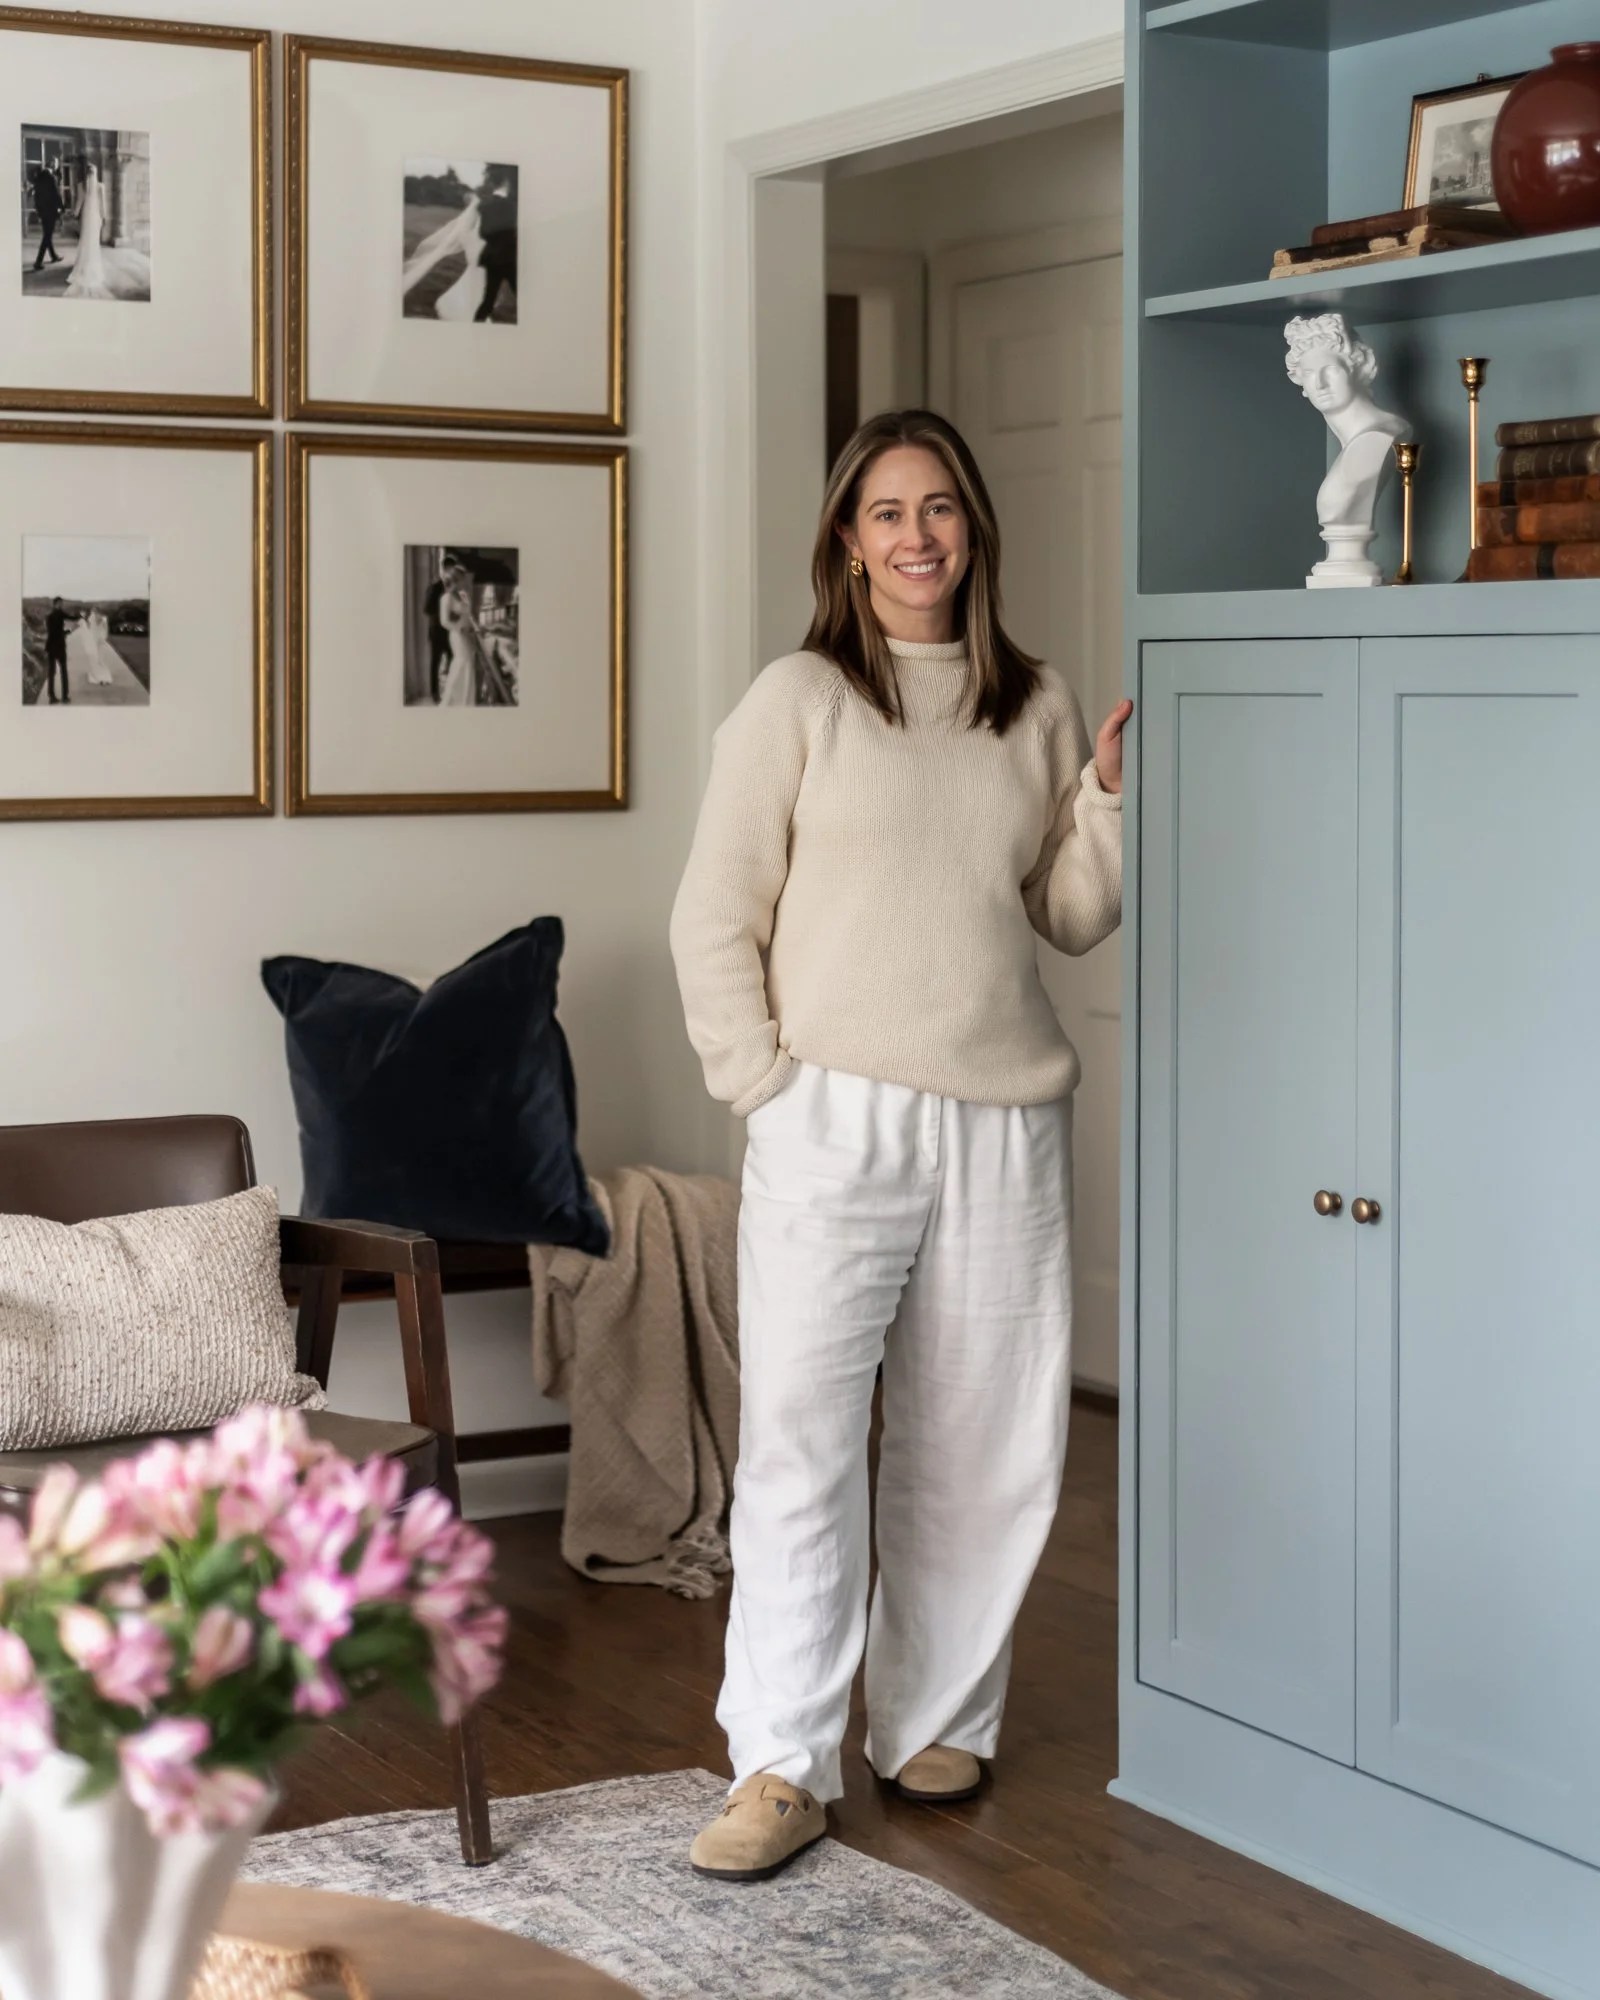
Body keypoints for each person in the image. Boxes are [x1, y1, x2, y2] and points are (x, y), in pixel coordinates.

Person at [670, 408, 1132, 1881]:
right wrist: (765, 1087)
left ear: (973, 529)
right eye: (887, 513)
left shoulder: (1036, 703)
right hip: (832, 1114)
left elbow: (1065, 914)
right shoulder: (798, 699)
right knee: (803, 1443)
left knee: (983, 1441)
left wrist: (1110, 800)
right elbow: (713, 915)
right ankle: (780, 1763)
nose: (918, 536)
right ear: (847, 542)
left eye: (940, 509)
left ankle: (937, 1717)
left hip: (1004, 1116)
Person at [472, 171, 516, 323]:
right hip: (508, 258)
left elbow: (483, 233)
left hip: (494, 258)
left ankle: (477, 324)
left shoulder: (486, 207)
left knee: (489, 298)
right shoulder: (509, 205)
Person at [65, 160, 112, 300]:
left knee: (85, 240)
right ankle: (92, 267)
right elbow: (103, 206)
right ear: (96, 173)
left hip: (86, 216)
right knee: (93, 242)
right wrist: (104, 218)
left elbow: (79, 204)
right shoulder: (100, 186)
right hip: (95, 216)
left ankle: (82, 266)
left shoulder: (81, 186)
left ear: (85, 173)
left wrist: (74, 214)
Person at [422, 561, 459, 704]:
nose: (452, 572)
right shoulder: (434, 586)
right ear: (444, 569)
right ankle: (434, 694)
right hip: (437, 632)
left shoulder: (453, 586)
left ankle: (450, 690)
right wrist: (443, 613)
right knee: (435, 664)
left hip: (450, 632)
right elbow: (426, 609)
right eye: (450, 569)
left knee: (453, 659)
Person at [30, 165, 63, 273]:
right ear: (53, 166)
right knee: (47, 236)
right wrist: (62, 207)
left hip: (43, 212)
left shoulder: (39, 177)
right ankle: (38, 262)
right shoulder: (51, 177)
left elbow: (37, 196)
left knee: (47, 233)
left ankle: (53, 256)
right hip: (50, 211)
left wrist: (39, 211)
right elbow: (56, 194)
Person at [43, 598, 69, 704]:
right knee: (63, 671)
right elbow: (71, 618)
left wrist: (63, 632)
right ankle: (64, 697)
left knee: (51, 672)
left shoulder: (49, 616)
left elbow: (51, 632)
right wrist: (66, 632)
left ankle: (51, 697)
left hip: (50, 647)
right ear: (57, 604)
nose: (62, 605)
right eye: (61, 603)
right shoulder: (60, 614)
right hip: (59, 647)